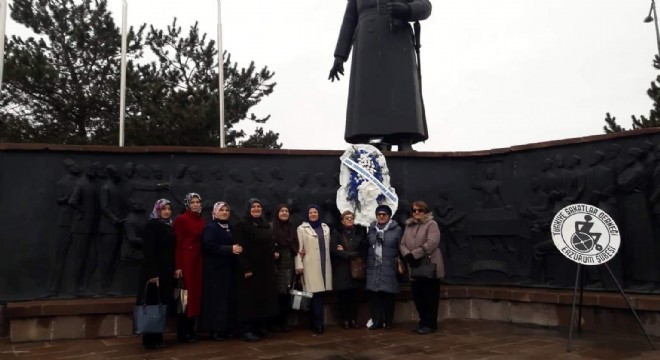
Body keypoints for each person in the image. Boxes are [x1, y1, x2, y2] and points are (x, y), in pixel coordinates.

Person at [329, 0, 433, 151]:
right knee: (368, 93)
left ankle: (404, 138)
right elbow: (349, 20)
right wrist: (340, 56)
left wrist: (407, 9)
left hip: (397, 41)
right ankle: (372, 141)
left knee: (402, 90)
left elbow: (425, 5)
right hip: (367, 43)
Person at [234, 198, 279, 341]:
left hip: (265, 270)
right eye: (253, 207)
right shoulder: (242, 224)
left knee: (262, 300)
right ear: (248, 208)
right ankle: (245, 330)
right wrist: (246, 268)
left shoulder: (265, 225)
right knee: (249, 300)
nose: (256, 209)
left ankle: (258, 327)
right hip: (250, 270)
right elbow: (239, 247)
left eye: (259, 206)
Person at [399, 201, 444, 334]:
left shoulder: (431, 224)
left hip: (428, 265)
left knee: (430, 296)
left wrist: (415, 254)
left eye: (420, 210)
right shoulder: (409, 225)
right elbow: (402, 243)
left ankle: (430, 323)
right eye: (414, 210)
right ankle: (423, 322)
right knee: (418, 296)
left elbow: (432, 242)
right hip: (414, 266)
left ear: (425, 211)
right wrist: (407, 255)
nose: (417, 212)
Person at [200, 202, 242, 340]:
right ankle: (216, 329)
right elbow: (209, 246)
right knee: (217, 301)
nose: (224, 212)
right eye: (221, 210)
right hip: (216, 271)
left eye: (226, 210)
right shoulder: (211, 227)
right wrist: (229, 249)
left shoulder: (230, 227)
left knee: (229, 299)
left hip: (229, 270)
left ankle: (228, 327)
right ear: (215, 212)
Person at [137, 199, 176, 350]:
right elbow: (149, 251)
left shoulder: (168, 226)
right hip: (154, 273)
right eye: (163, 209)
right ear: (157, 210)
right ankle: (149, 338)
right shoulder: (152, 226)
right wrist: (153, 273)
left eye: (168, 208)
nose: (166, 211)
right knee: (152, 304)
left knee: (161, 304)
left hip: (166, 272)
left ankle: (158, 335)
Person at [173, 193, 205, 343]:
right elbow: (177, 244)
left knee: (195, 295)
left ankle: (192, 330)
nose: (196, 204)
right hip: (186, 260)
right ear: (187, 204)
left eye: (198, 202)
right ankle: (183, 332)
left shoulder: (202, 220)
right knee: (185, 296)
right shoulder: (181, 220)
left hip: (198, 260)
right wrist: (178, 266)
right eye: (192, 202)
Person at [295, 205, 333, 334]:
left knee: (320, 296)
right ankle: (317, 324)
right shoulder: (301, 228)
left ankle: (317, 322)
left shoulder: (325, 227)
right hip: (309, 265)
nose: (313, 214)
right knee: (314, 295)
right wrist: (299, 264)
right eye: (310, 212)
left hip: (324, 265)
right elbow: (299, 248)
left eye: (315, 212)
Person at [365, 204, 402, 329]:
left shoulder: (397, 230)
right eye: (379, 214)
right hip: (373, 268)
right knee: (375, 297)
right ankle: (377, 321)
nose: (381, 216)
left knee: (388, 296)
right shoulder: (371, 229)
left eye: (384, 214)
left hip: (389, 267)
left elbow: (401, 247)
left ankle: (388, 322)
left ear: (389, 216)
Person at [330, 210, 366, 329]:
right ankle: (345, 320)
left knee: (354, 297)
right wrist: (351, 254)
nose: (349, 220)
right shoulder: (336, 233)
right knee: (343, 297)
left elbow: (362, 249)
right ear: (342, 220)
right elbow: (334, 250)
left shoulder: (359, 233)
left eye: (351, 218)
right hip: (342, 270)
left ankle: (353, 319)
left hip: (355, 270)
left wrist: (344, 251)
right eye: (347, 218)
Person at [272, 204, 299, 331]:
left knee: (287, 294)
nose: (284, 213)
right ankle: (275, 322)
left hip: (290, 265)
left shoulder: (292, 228)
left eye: (286, 211)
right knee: (277, 294)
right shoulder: (272, 228)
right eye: (281, 211)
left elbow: (295, 244)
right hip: (277, 265)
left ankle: (284, 321)